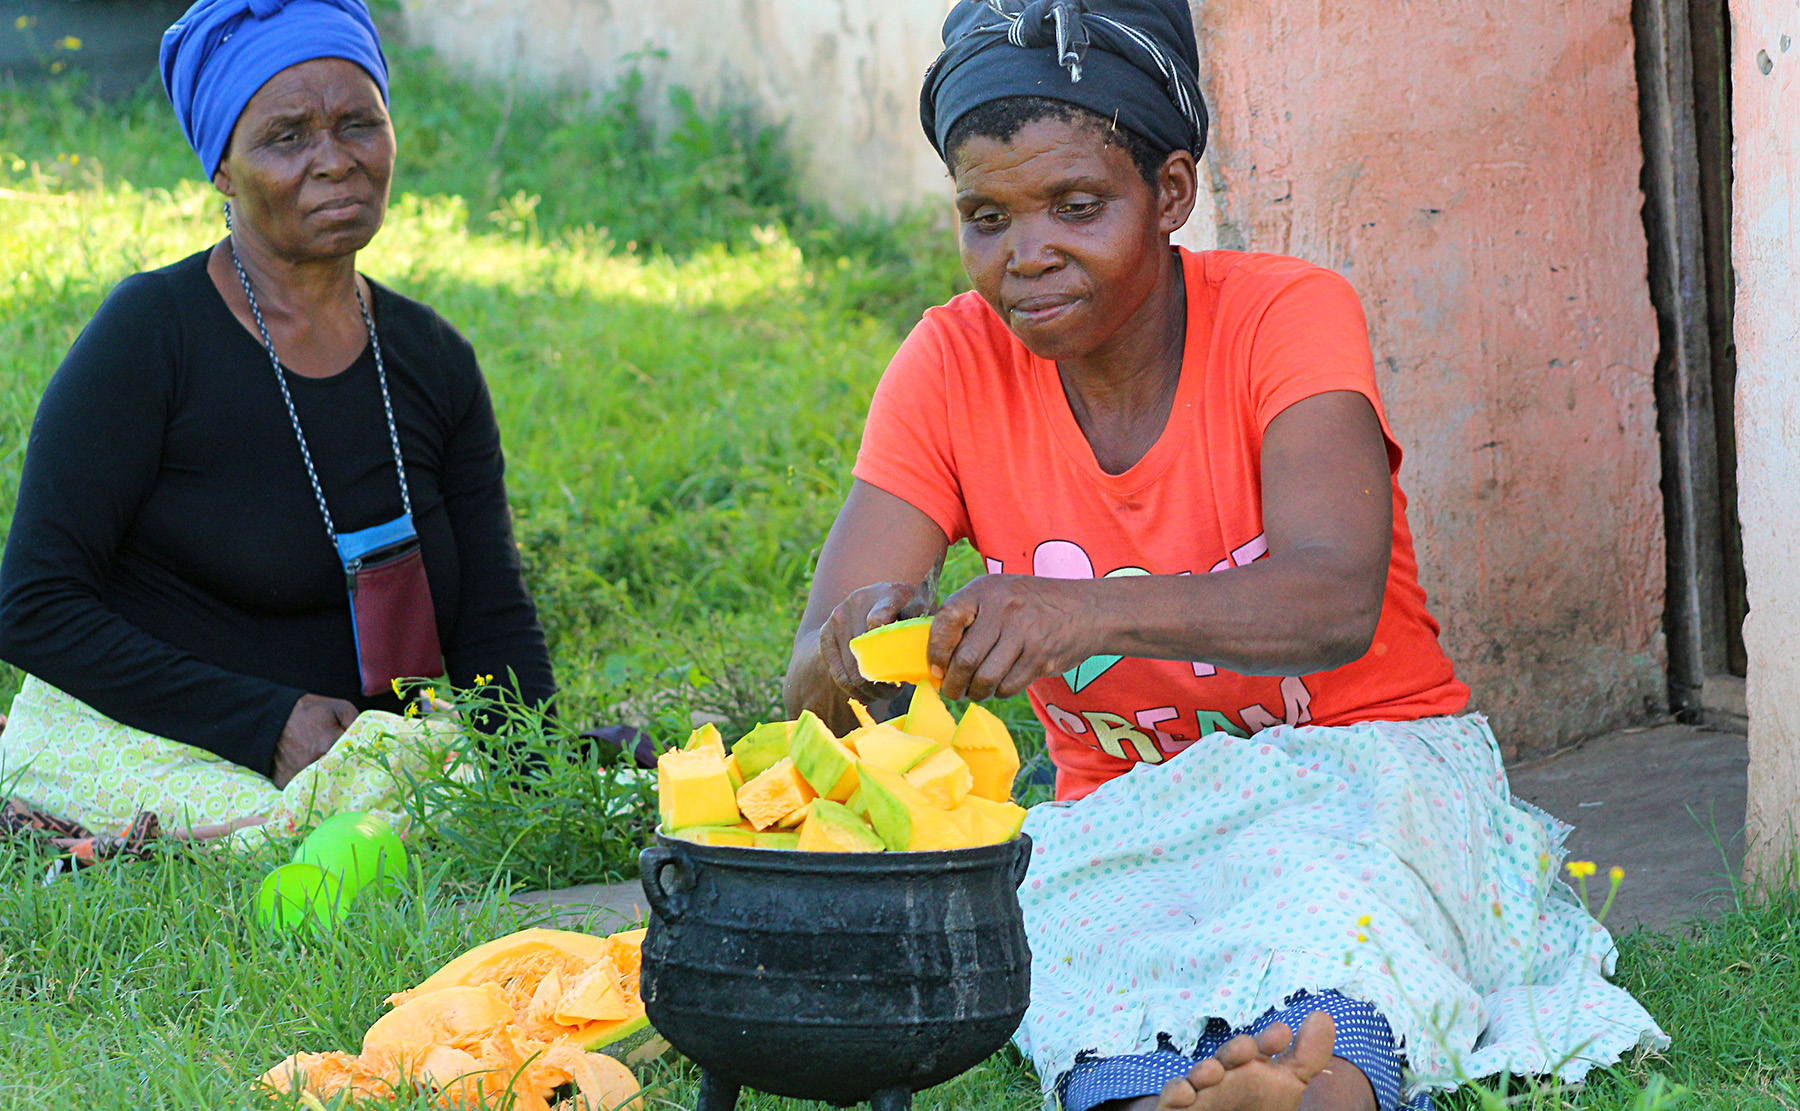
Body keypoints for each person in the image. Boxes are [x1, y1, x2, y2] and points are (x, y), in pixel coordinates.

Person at [784, 2, 1664, 1108]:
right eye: (986, 218)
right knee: (1065, 944)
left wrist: (1082, 612)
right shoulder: (950, 366)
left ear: (1172, 193)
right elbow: (811, 684)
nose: (1027, 254)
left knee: (1335, 916)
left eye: (1076, 207)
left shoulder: (1284, 315)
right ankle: (1174, 1091)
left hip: (1363, 772)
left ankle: (1314, 1081)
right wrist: (855, 654)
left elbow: (1333, 598)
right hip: (1130, 815)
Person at [0, 0, 554, 838]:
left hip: (362, 756)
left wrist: (539, 788)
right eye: (286, 137)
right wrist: (263, 722)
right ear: (223, 169)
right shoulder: (152, 335)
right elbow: (33, 604)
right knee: (335, 830)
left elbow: (491, 616)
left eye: (359, 124)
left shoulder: (435, 360)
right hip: (156, 739)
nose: (334, 161)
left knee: (493, 804)